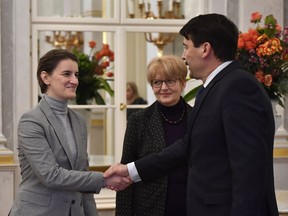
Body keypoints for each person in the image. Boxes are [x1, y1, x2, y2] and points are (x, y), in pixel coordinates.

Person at [105, 13, 279, 216]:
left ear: (205, 49)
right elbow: (187, 147)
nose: (183, 55)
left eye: (186, 46)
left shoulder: (238, 86)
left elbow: (249, 171)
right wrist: (130, 171)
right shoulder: (212, 89)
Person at [9, 49, 130, 216]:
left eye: (76, 74)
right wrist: (103, 179)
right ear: (46, 78)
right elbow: (50, 175)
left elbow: (83, 175)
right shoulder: (31, 121)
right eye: (67, 74)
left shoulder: (79, 121)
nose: (74, 81)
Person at [116, 55, 193, 216]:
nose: (164, 87)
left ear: (183, 83)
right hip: (149, 208)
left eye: (170, 81)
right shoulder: (138, 120)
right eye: (157, 82)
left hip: (191, 206)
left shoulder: (197, 118)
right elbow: (126, 174)